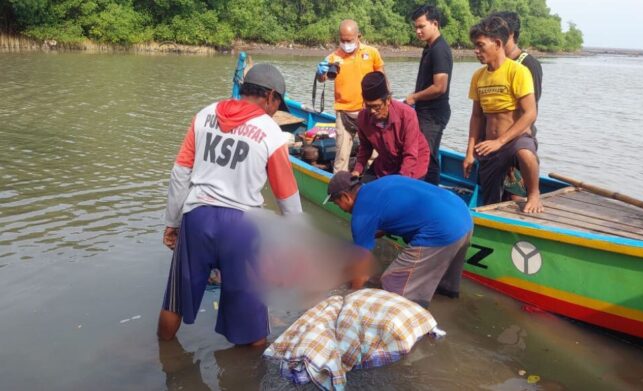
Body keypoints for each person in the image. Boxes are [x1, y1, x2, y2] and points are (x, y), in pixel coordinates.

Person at [158, 64, 303, 346]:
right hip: (242, 227)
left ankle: (162, 361)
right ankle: (245, 377)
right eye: (277, 104)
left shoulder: (205, 115)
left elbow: (180, 173)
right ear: (271, 95)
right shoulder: (270, 132)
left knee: (174, 301)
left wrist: (172, 223)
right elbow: (286, 195)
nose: (276, 110)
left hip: (197, 218)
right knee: (251, 321)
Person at [324, 171, 473, 307]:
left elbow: (361, 273)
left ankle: (414, 323)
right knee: (443, 288)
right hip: (463, 216)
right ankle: (448, 308)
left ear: (345, 197)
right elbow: (396, 214)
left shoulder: (361, 215)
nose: (341, 209)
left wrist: (350, 297)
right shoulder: (383, 183)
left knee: (392, 283)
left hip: (442, 229)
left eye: (338, 204)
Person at [463, 16, 543, 213]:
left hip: (515, 139)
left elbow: (530, 113)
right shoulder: (478, 76)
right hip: (490, 145)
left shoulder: (518, 71)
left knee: (525, 153)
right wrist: (469, 152)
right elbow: (477, 117)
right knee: (489, 202)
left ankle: (534, 194)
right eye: (475, 46)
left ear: (497, 44)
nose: (476, 51)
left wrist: (501, 141)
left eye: (481, 46)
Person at [316, 19, 385, 173]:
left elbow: (382, 78)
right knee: (341, 156)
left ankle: (372, 179)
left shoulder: (371, 53)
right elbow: (322, 79)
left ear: (358, 36)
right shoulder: (333, 57)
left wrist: (385, 103)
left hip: (368, 112)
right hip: (343, 112)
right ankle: (339, 186)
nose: (346, 44)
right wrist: (319, 73)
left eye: (349, 40)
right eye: (342, 40)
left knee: (375, 152)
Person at [351, 72, 430, 182]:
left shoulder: (407, 115)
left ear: (388, 100)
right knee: (366, 187)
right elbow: (365, 149)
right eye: (368, 106)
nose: (372, 111)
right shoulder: (363, 117)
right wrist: (357, 170)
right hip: (387, 162)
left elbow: (410, 155)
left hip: (415, 162)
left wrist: (400, 183)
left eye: (376, 107)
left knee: (401, 194)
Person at [406, 5, 453, 185]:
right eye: (416, 27)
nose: (418, 31)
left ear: (435, 24)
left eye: (421, 26)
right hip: (425, 112)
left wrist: (415, 97)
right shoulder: (430, 47)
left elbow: (440, 87)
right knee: (424, 153)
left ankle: (429, 193)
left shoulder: (439, 49)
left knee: (427, 157)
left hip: (433, 114)